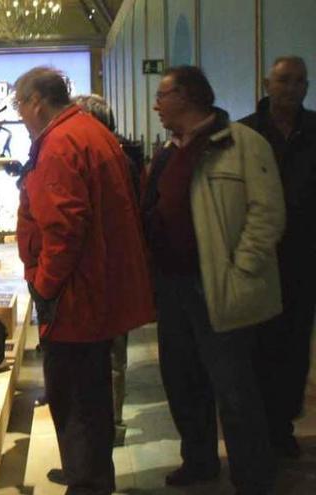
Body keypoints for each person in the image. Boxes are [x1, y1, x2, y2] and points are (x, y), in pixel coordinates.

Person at [142, 65, 283, 493]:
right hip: (174, 289)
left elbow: (267, 214)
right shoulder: (168, 152)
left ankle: (253, 478)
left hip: (219, 287)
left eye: (163, 95)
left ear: (187, 96)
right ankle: (199, 461)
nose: (156, 105)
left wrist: (241, 271)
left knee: (235, 392)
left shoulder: (241, 145)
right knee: (183, 384)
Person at [14, 67, 154, 494]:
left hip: (74, 300)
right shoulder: (89, 131)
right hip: (93, 293)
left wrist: (44, 284)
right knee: (92, 401)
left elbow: (64, 228)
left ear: (38, 101)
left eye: (20, 104)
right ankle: (94, 479)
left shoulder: (58, 144)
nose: (19, 113)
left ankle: (87, 484)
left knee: (75, 404)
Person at [240, 55, 316, 459]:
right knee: (257, 346)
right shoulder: (246, 133)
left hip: (304, 261)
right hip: (258, 259)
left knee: (294, 347)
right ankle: (258, 426)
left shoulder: (315, 130)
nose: (291, 88)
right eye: (284, 80)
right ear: (268, 84)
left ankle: (282, 424)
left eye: (299, 82)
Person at [72, 94, 146, 448]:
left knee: (110, 357)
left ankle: (107, 431)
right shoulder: (115, 158)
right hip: (105, 273)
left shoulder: (113, 161)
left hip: (109, 275)